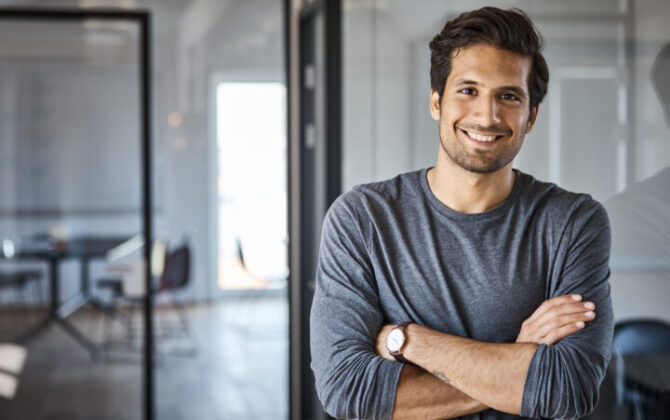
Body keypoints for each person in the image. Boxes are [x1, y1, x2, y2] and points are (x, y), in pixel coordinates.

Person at [310, 6, 614, 420]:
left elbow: (567, 389)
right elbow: (349, 392)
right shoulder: (361, 220)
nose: (486, 116)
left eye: (508, 96)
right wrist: (518, 358)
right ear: (436, 101)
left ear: (532, 117)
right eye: (468, 90)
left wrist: (405, 341)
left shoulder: (572, 222)